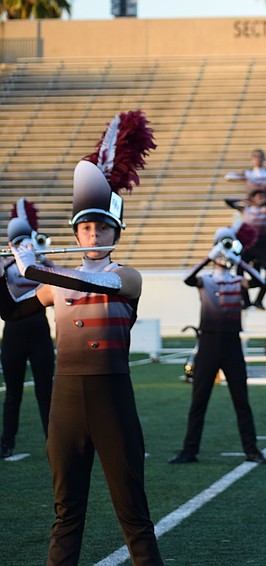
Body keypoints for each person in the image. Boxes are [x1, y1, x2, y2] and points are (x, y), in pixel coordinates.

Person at [0, 110, 162, 564]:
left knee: (133, 514)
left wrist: (34, 266)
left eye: (102, 227)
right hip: (66, 402)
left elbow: (94, 285)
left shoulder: (126, 276)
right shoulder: (54, 281)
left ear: (115, 232)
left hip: (112, 398)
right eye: (86, 228)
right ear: (76, 231)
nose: (93, 234)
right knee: (66, 513)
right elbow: (12, 312)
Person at [168, 224, 266, 465]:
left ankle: (251, 450)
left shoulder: (237, 281)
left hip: (232, 342)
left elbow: (259, 282)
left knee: (241, 400)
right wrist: (208, 258)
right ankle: (189, 450)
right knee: (199, 400)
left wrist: (239, 260)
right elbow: (186, 279)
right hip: (208, 342)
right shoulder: (204, 280)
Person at [1, 199, 54, 459]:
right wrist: (12, 260)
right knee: (14, 392)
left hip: (39, 327)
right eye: (18, 242)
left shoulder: (39, 259)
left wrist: (39, 258)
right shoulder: (6, 264)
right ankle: (7, 441)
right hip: (14, 328)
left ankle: (53, 439)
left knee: (46, 390)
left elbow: (58, 280)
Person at [224, 149, 266, 310]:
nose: (259, 198)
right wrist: (246, 201)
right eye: (257, 196)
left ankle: (259, 299)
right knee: (239, 271)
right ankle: (245, 300)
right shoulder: (245, 210)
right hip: (247, 245)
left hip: (261, 244)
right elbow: (228, 198)